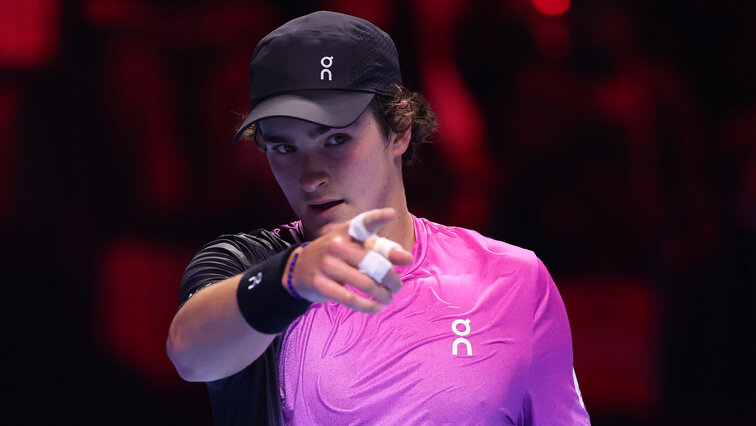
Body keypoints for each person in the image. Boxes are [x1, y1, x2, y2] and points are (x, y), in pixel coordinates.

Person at [167, 10, 590, 425]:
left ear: (400, 129)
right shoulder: (245, 267)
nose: (311, 176)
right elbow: (188, 351)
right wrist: (290, 280)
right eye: (284, 147)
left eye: (336, 139)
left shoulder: (512, 279)